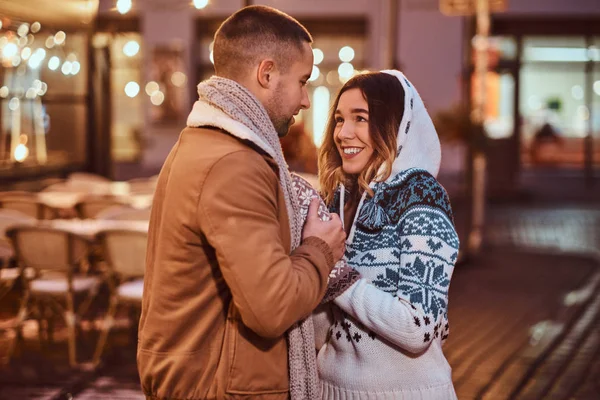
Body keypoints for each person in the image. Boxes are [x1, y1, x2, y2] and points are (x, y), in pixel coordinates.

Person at [137, 6, 346, 400]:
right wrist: (320, 249)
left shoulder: (204, 142)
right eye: (302, 81)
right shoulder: (235, 162)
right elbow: (272, 306)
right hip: (221, 386)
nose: (305, 99)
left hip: (201, 377)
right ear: (266, 74)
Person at [313, 70, 460, 399]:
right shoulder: (338, 198)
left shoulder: (421, 197)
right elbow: (324, 322)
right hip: (331, 389)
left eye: (360, 118)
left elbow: (417, 326)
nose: (343, 133)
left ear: (393, 124)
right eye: (339, 119)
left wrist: (332, 269)